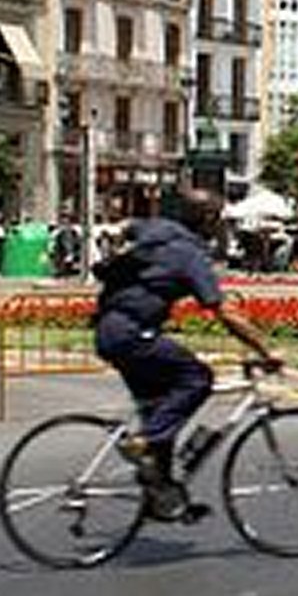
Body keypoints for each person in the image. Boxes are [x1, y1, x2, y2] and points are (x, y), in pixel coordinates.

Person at [92, 189, 283, 520]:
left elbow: (126, 227)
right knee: (196, 378)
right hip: (131, 334)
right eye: (220, 219)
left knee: (161, 408)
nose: (223, 227)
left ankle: (162, 496)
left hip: (110, 328)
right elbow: (223, 311)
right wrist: (266, 350)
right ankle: (143, 442)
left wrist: (119, 237)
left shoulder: (158, 229)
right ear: (208, 220)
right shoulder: (189, 255)